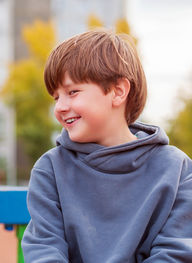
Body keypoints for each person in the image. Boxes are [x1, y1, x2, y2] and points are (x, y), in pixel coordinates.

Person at [22, 29, 192, 262]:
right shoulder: (50, 169)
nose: (60, 107)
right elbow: (45, 250)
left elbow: (174, 253)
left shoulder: (178, 169)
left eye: (72, 92)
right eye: (56, 97)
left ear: (118, 91)